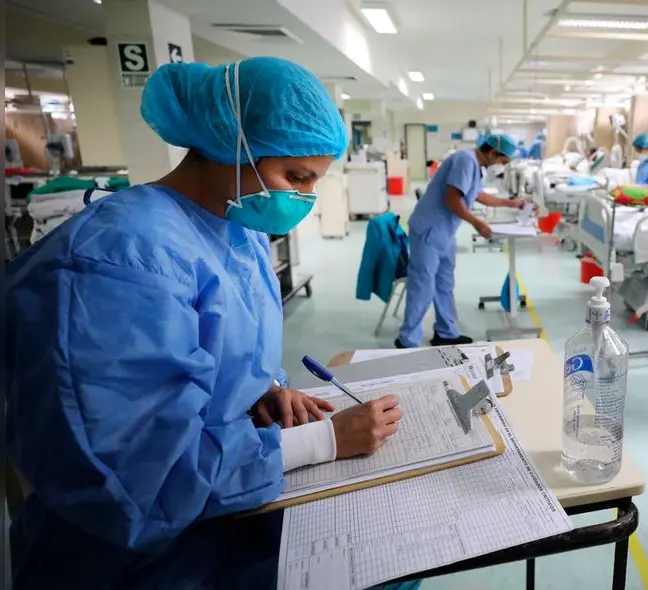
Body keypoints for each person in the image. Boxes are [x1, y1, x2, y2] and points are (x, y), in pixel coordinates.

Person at [5, 57, 405, 587]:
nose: (301, 201)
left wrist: (261, 389)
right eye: (295, 177)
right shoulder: (120, 262)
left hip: (220, 501)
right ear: (230, 143)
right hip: (135, 554)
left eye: (312, 184)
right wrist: (322, 442)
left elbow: (219, 352)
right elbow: (139, 479)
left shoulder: (236, 231)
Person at [396, 134, 526, 349]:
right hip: (430, 229)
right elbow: (452, 198)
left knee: (444, 284)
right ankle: (407, 340)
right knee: (423, 286)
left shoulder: (475, 165)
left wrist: (513, 204)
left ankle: (446, 332)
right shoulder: (465, 160)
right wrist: (477, 222)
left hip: (445, 232)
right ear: (494, 153)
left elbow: (479, 195)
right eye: (503, 161)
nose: (501, 166)